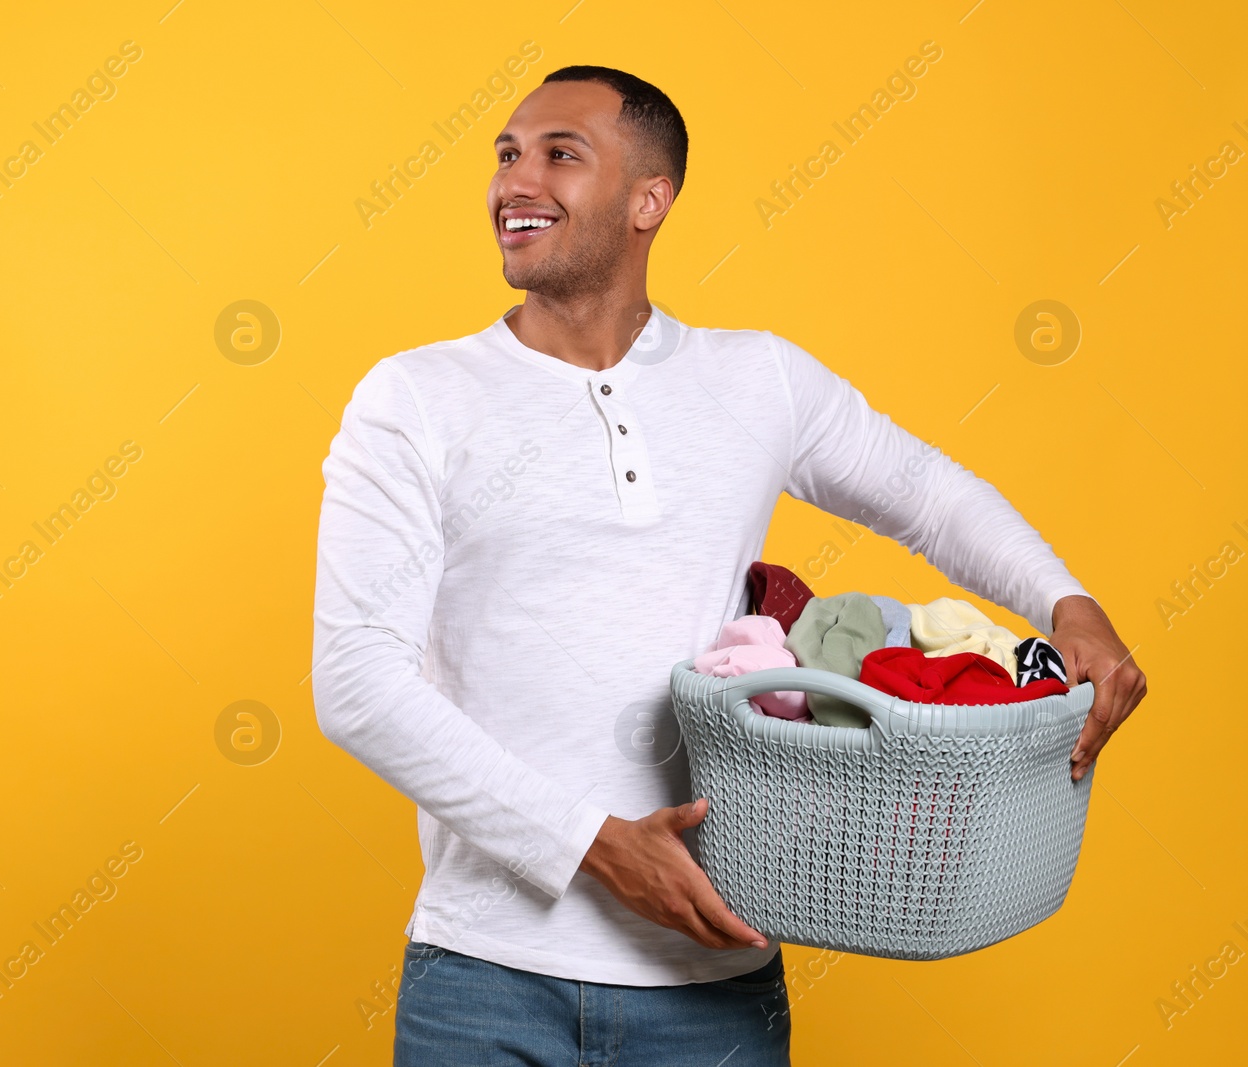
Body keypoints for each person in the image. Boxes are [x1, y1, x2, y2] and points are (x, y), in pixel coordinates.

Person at [310, 65, 1146, 1066]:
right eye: (505, 154)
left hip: (713, 987)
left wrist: (1069, 602)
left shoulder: (756, 379)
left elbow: (925, 489)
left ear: (648, 200)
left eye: (558, 155)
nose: (513, 182)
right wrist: (596, 843)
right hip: (485, 980)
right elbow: (356, 678)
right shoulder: (415, 398)